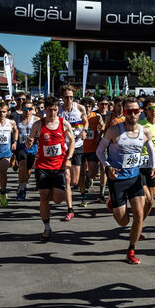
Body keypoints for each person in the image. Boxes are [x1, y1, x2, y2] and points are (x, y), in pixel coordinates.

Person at [96, 98, 152, 264]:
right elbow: (100, 151)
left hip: (135, 177)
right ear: (124, 112)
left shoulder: (144, 131)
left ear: (140, 111)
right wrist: (107, 166)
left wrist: (154, 166)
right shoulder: (114, 131)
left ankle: (131, 250)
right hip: (117, 179)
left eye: (135, 111)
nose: (133, 114)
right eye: (129, 111)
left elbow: (150, 149)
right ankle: (113, 203)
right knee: (123, 222)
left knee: (139, 214)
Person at [26, 96, 76, 240]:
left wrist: (69, 158)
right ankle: (47, 227)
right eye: (50, 110)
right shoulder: (38, 125)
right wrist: (29, 143)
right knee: (44, 197)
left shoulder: (63, 123)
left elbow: (72, 140)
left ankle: (50, 211)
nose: (52, 113)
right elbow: (29, 142)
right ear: (45, 110)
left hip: (59, 166)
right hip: (42, 166)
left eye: (55, 110)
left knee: (58, 199)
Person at [57, 85, 86, 220]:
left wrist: (84, 130)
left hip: (78, 145)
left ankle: (63, 188)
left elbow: (85, 121)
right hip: (64, 147)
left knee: (74, 180)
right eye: (66, 97)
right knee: (67, 179)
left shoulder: (79, 108)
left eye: (71, 97)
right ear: (62, 98)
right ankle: (70, 208)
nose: (69, 99)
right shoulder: (58, 111)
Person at [14, 100, 38, 201]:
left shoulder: (37, 120)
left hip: (32, 148)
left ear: (32, 110)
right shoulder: (16, 119)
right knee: (22, 164)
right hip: (21, 147)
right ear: (21, 109)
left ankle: (23, 186)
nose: (27, 111)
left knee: (28, 170)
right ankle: (22, 187)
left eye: (29, 109)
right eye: (25, 109)